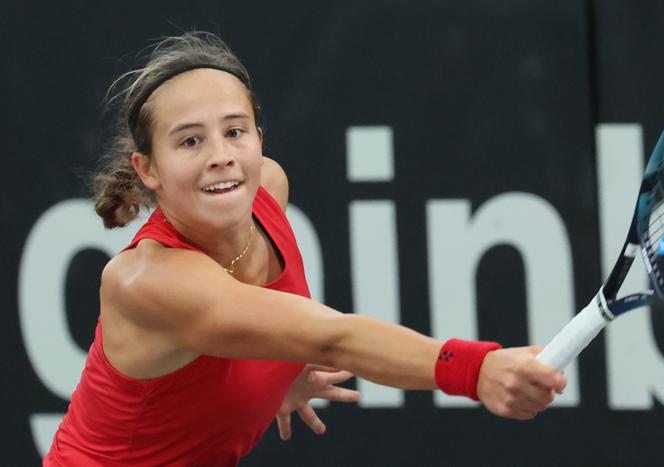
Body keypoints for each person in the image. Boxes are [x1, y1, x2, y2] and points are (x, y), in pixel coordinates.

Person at [44, 31, 566, 466]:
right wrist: (475, 370)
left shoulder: (267, 187)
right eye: (189, 142)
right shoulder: (146, 282)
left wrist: (271, 377)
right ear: (147, 170)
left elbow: (260, 334)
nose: (221, 157)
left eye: (235, 131)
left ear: (259, 139)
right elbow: (330, 337)